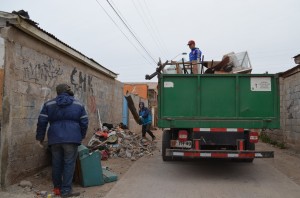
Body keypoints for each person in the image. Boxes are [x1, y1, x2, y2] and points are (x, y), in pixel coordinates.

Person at [36, 83, 88, 197]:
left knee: (56, 163)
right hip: (72, 138)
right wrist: (81, 135)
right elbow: (84, 121)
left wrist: (39, 138)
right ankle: (66, 191)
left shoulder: (49, 104)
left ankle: (57, 189)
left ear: (58, 92)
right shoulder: (78, 104)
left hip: (55, 138)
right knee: (69, 163)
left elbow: (42, 122)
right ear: (68, 91)